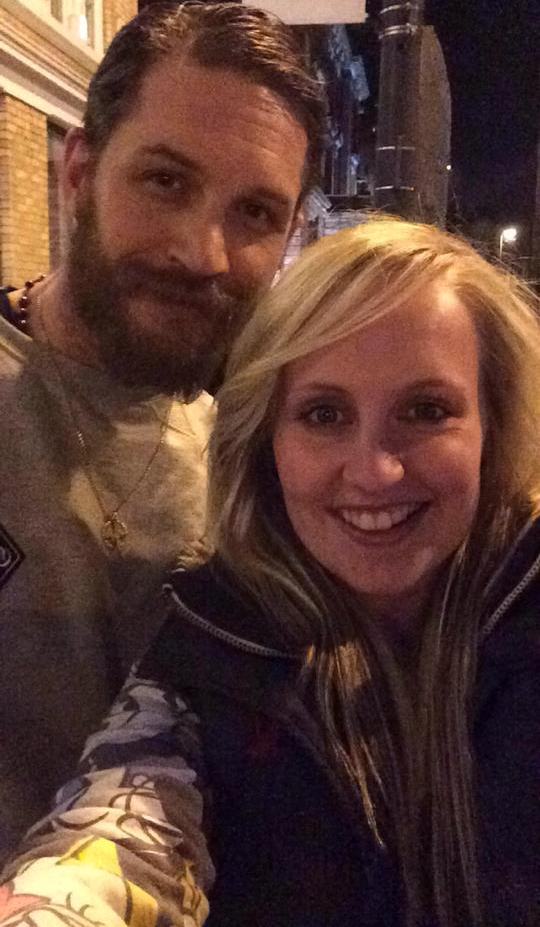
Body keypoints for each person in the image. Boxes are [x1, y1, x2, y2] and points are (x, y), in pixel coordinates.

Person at [2, 215, 540, 927]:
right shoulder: (204, 658)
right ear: (267, 442)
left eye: (426, 409)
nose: (375, 471)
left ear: (493, 426)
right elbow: (118, 831)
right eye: (323, 414)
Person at [0, 1, 325, 859]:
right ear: (80, 171)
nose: (202, 254)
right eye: (166, 182)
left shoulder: (274, 461)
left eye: (254, 213)